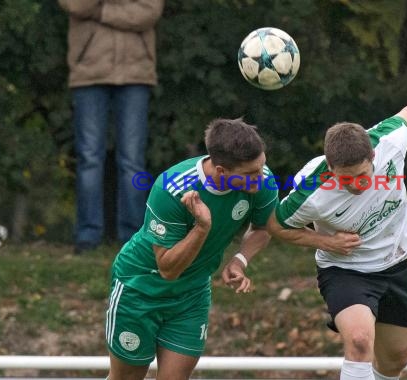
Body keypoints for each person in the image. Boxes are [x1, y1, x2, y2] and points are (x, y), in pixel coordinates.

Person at [267, 81, 407, 380]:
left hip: (395, 264)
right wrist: (325, 241)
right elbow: (276, 226)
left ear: (373, 158)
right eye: (345, 178)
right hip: (345, 270)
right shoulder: (311, 190)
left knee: (396, 359)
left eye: (362, 175)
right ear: (330, 166)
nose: (355, 184)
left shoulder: (389, 141)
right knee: (360, 341)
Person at [104, 118, 279, 380]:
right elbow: (167, 269)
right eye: (249, 174)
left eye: (261, 166)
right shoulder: (171, 188)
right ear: (221, 171)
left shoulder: (261, 179)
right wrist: (201, 228)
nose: (259, 178)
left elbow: (265, 227)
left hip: (192, 294)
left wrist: (240, 259)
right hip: (140, 288)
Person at [57, 0, 165, 253]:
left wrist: (102, 11)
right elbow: (75, 5)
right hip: (88, 71)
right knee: (89, 158)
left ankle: (133, 238)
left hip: (136, 73)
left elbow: (149, 13)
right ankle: (87, 237)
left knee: (132, 161)